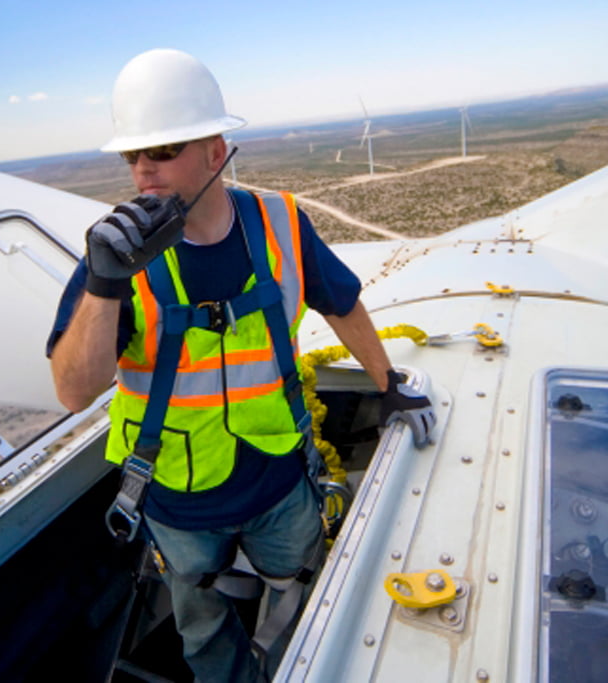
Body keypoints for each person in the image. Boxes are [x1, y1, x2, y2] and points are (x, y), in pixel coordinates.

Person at [46, 49, 435, 682]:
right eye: (132, 156)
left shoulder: (278, 220)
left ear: (216, 150)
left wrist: (387, 384)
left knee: (298, 597)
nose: (144, 171)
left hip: (279, 477)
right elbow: (74, 390)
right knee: (201, 626)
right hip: (176, 497)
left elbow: (341, 301)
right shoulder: (117, 256)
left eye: (164, 151)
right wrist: (103, 282)